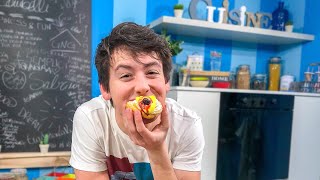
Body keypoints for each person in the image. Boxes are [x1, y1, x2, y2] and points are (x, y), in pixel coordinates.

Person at [69, 22, 205, 180]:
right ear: (106, 89)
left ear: (166, 81)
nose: (142, 87)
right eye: (126, 75)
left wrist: (156, 150)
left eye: (152, 72)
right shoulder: (92, 118)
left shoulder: (187, 124)